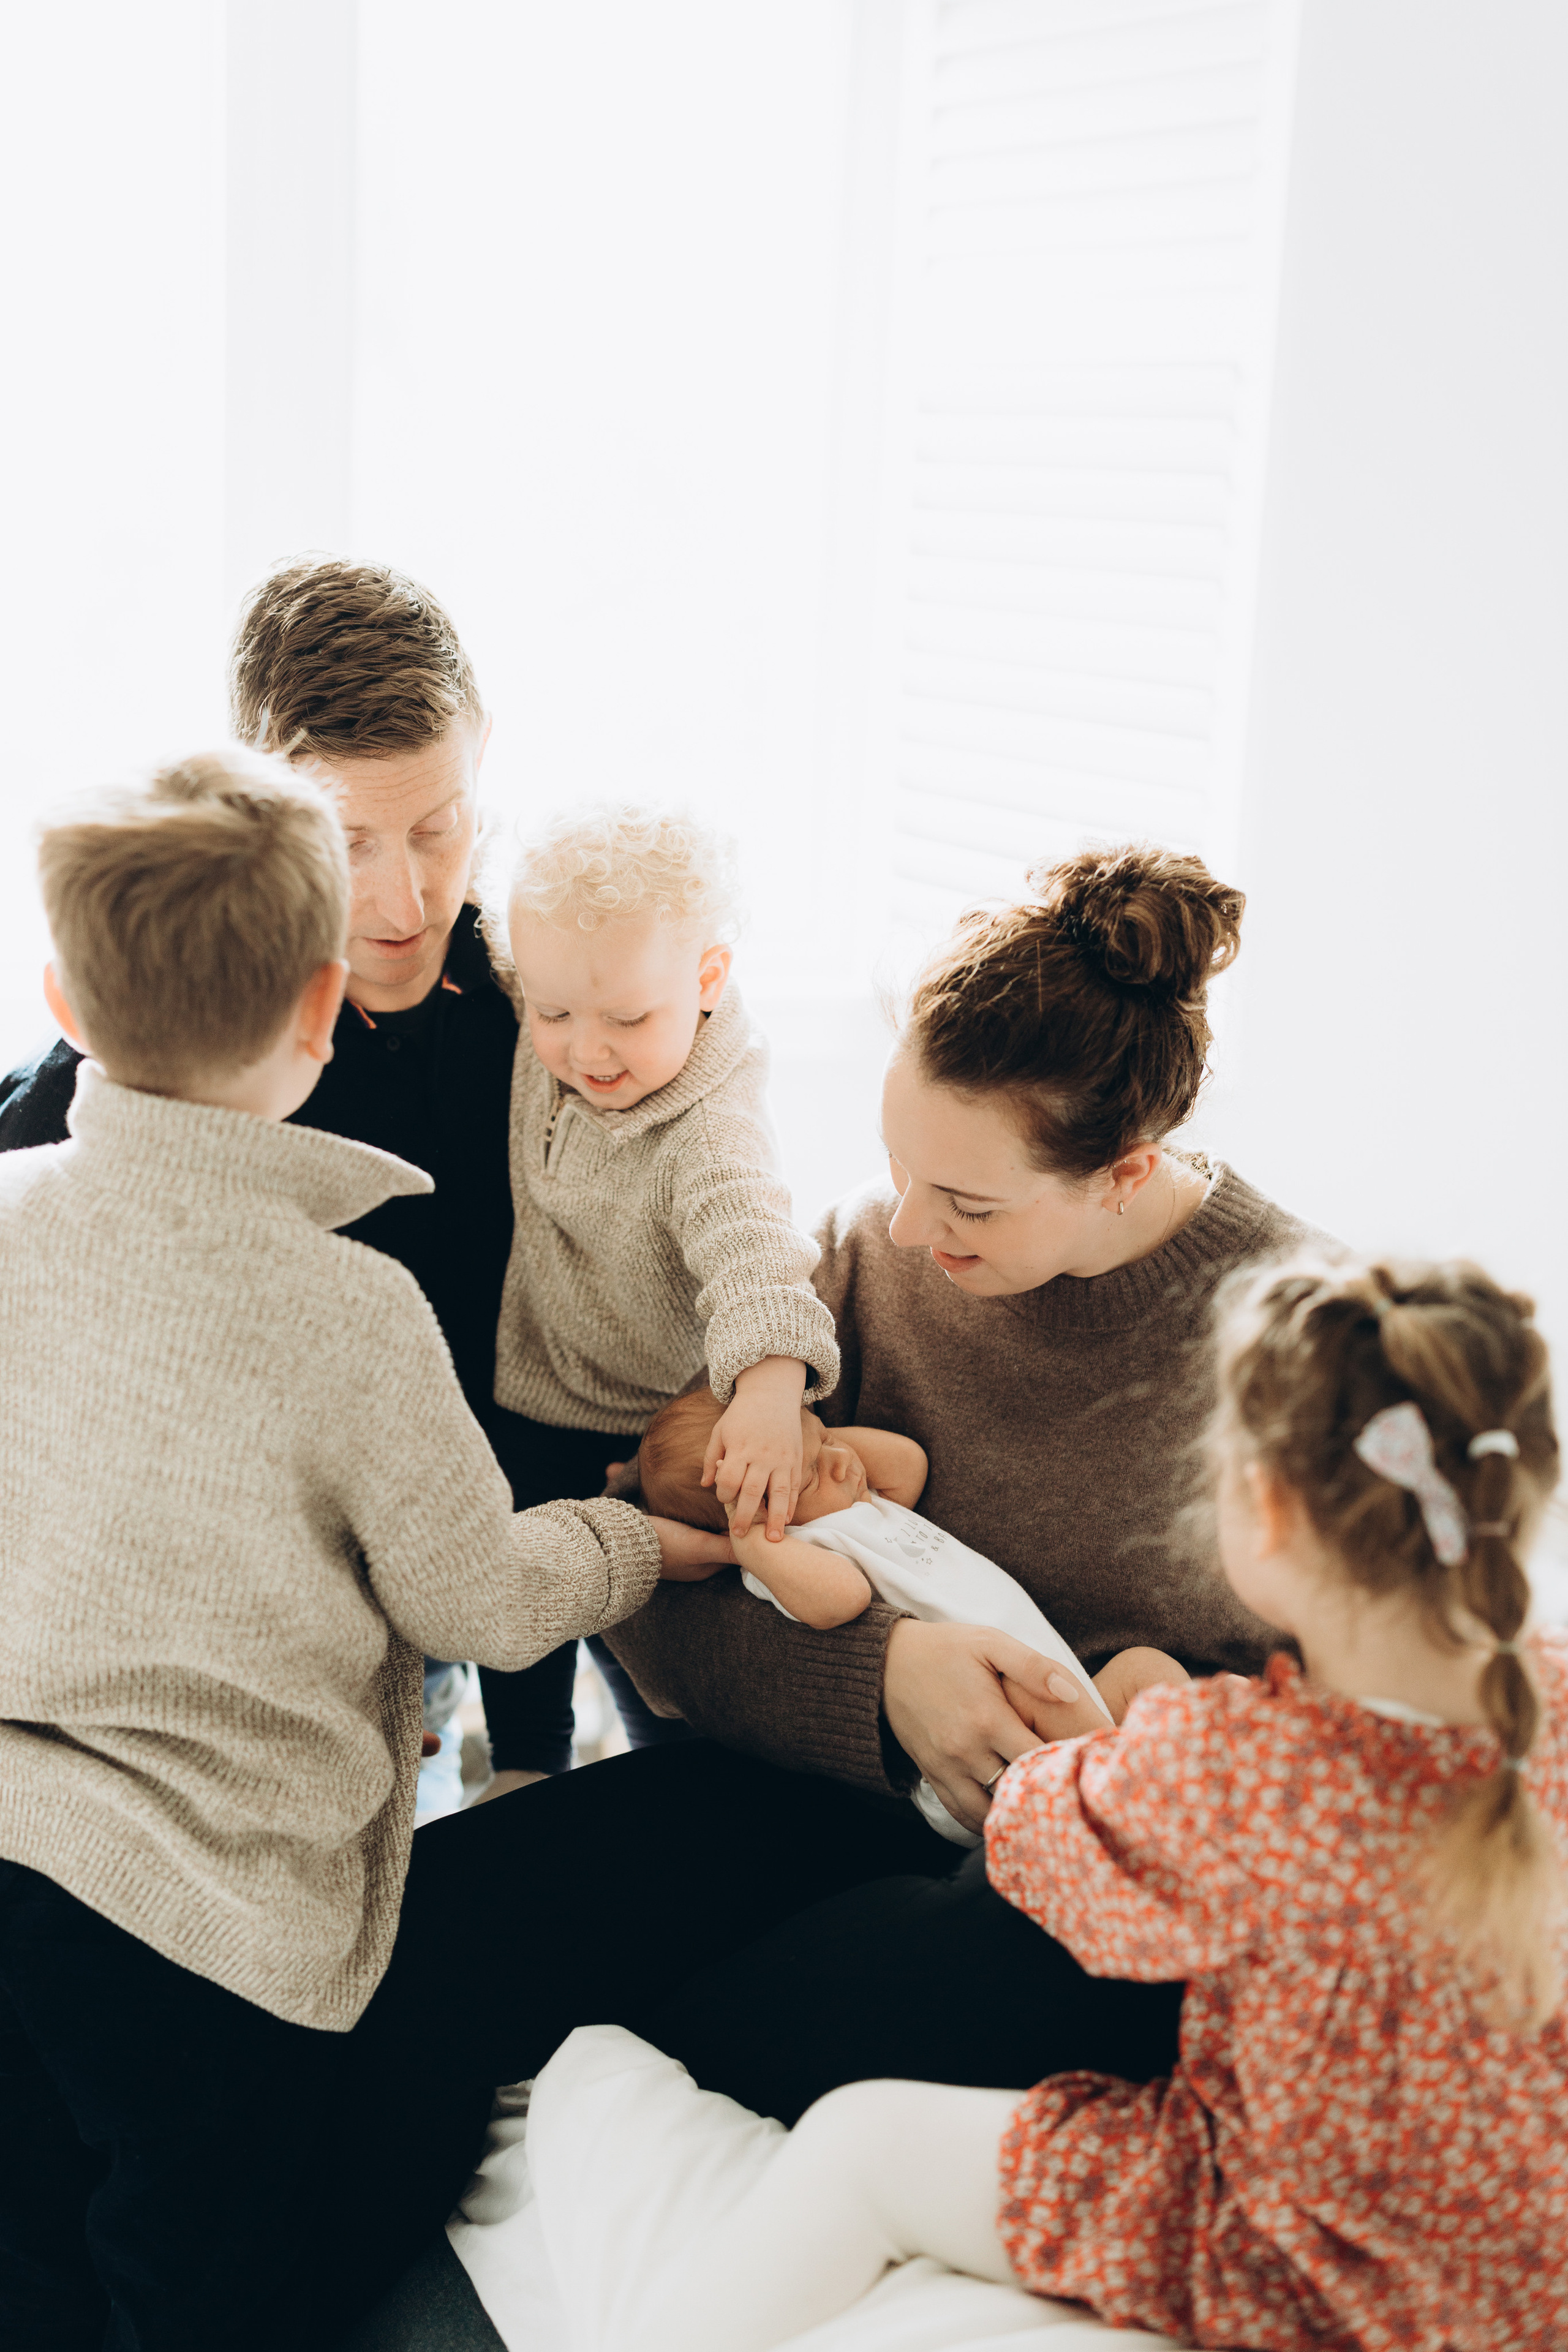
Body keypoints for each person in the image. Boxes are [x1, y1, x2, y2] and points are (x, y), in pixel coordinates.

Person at [0, 755, 729, 2350]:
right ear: (325, 1010)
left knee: (36, 2264)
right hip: (198, 1927)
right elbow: (472, 1599)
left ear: (61, 993)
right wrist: (629, 1544)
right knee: (214, 2290)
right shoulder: (349, 1307)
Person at [524, 1252, 1568, 2352]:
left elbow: (1031, 1835)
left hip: (1306, 2256)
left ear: (1260, 1517)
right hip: (1536, 2267)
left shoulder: (1235, 1769)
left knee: (861, 2146)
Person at [600, 842, 1333, 2122]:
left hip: (1084, 1881)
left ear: (1123, 1172)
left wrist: (1124, 1757)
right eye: (897, 1172)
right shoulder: (860, 1266)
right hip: (818, 1788)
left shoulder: (1309, 1348)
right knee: (448, 1941)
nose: (905, 1235)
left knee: (752, 2026)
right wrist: (878, 1682)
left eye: (967, 1206)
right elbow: (636, 1573)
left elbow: (1358, 1754)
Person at [0, 556, 674, 1786]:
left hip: (548, 1533)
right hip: (304, 1628)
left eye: (439, 827)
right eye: (345, 840)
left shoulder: (549, 987)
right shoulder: (194, 1030)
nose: (405, 898)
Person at [487, 801, 839, 1544]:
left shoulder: (711, 1137)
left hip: (661, 1424)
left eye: (626, 1020)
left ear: (708, 980)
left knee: (643, 1614)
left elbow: (758, 1260)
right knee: (522, 1595)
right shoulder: (559, 991)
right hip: (535, 1388)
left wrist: (771, 1395)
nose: (586, 1053)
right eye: (553, 1015)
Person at [638, 1381, 1186, 1840]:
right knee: (1055, 1704)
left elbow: (909, 1463)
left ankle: (1172, 1793)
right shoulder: (789, 1553)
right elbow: (842, 1602)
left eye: (826, 1438)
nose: (838, 1461)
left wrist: (797, 1434)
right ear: (752, 1516)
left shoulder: (858, 1499)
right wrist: (747, 1541)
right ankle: (1139, 1830)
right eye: (808, 1475)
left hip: (1061, 1689)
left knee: (1148, 1671)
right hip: (986, 1744)